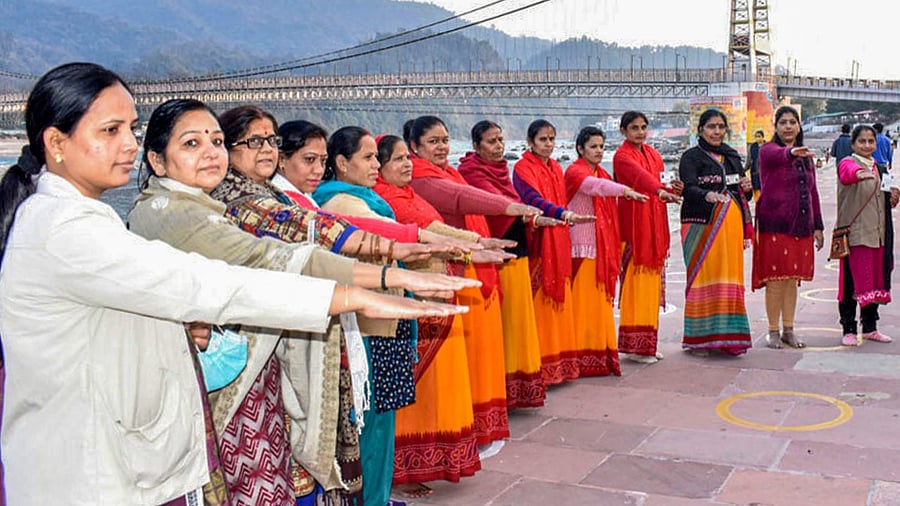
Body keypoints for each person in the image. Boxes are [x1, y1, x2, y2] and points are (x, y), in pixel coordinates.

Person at [0, 62, 462, 506]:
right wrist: (350, 293)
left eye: (131, 128)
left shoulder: (83, 218)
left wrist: (180, 329)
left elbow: (128, 305)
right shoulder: (70, 228)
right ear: (56, 142)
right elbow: (212, 279)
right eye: (110, 130)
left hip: (107, 452)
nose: (127, 144)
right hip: (86, 469)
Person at [129, 99, 476, 505]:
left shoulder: (216, 202)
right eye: (192, 143)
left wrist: (399, 260)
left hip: (255, 363)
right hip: (230, 377)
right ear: (156, 159)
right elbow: (284, 248)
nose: (211, 152)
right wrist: (386, 272)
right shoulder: (186, 211)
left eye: (218, 141)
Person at [407, 115, 532, 446]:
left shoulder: (451, 172)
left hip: (478, 268)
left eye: (445, 139)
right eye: (433, 141)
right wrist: (516, 208)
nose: (442, 146)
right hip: (457, 272)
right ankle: (467, 423)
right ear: (414, 147)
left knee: (483, 353)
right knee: (469, 357)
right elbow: (462, 199)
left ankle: (480, 421)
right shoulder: (422, 179)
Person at [374, 134, 484, 499]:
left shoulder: (409, 193)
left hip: (433, 295)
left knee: (433, 389)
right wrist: (477, 246)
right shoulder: (386, 200)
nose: (406, 165)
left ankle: (429, 461)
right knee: (416, 391)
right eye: (397, 159)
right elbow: (430, 233)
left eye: (407, 158)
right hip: (414, 302)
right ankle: (405, 468)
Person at [458, 120, 561, 405]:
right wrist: (532, 216)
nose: (499, 146)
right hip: (496, 255)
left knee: (519, 321)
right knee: (507, 323)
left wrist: (534, 218)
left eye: (500, 140)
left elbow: (515, 207)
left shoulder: (503, 171)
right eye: (491, 141)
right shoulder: (471, 173)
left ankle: (523, 387)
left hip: (518, 252)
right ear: (476, 146)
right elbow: (494, 206)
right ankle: (506, 388)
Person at [513, 119, 596, 381]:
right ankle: (542, 368)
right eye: (542, 140)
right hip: (539, 240)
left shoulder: (555, 167)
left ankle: (562, 366)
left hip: (559, 237)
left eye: (551, 139)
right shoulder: (522, 168)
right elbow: (533, 200)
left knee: (560, 302)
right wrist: (563, 213)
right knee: (541, 305)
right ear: (530, 142)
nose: (548, 145)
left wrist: (564, 216)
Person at [564, 126, 646, 374]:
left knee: (600, 303)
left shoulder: (603, 173)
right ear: (580, 149)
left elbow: (602, 186)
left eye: (601, 147)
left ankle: (599, 355)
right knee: (583, 304)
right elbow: (595, 187)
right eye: (593, 147)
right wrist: (626, 190)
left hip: (601, 246)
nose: (599, 151)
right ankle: (580, 357)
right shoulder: (575, 172)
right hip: (581, 246)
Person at [677, 110, 754, 357]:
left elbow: (743, 193)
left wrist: (748, 188)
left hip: (731, 227)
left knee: (729, 279)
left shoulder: (732, 157)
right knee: (704, 278)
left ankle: (729, 339)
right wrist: (706, 195)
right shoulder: (691, 157)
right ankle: (700, 339)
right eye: (711, 127)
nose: (717, 131)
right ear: (700, 130)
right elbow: (688, 188)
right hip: (702, 225)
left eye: (721, 127)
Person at [612, 111, 683, 364]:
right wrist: (660, 191)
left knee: (650, 285)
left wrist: (671, 188)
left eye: (643, 127)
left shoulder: (653, 153)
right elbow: (642, 179)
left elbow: (659, 180)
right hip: (634, 227)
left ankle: (647, 344)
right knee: (636, 286)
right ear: (623, 131)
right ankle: (636, 346)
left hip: (654, 224)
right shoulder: (622, 156)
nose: (640, 132)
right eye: (634, 128)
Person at [752, 105, 824, 349]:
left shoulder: (806, 159)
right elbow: (777, 156)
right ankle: (773, 331)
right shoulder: (767, 151)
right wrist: (791, 152)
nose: (788, 126)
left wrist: (818, 226)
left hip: (802, 225)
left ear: (799, 125)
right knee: (776, 279)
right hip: (775, 224)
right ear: (776, 126)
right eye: (783, 122)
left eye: (793, 122)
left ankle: (789, 330)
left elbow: (813, 191)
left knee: (792, 280)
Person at [835, 125, 896, 346]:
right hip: (855, 234)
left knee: (875, 281)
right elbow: (847, 173)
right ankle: (848, 328)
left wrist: (893, 196)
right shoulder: (848, 162)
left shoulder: (880, 168)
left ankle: (870, 327)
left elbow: (884, 199)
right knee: (852, 283)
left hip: (878, 234)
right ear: (853, 144)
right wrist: (857, 173)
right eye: (862, 141)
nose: (867, 145)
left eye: (871, 141)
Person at [745, 129, 766, 201]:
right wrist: (743, 170)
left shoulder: (767, 146)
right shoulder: (752, 147)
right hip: (755, 173)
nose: (757, 138)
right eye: (756, 136)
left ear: (763, 137)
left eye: (759, 136)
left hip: (765, 173)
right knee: (756, 191)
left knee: (765, 191)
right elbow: (749, 160)